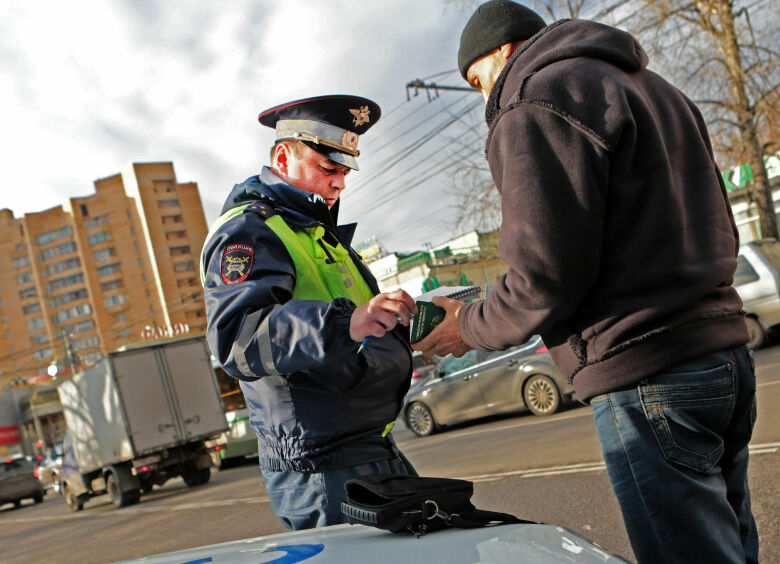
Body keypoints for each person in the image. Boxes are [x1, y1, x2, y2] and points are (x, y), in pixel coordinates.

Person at [414, 1, 759, 562]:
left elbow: (542, 279)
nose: (485, 98)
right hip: (724, 355)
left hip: (647, 372)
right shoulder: (656, 89)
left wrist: (468, 327)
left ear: (503, 50)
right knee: (731, 546)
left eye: (479, 81)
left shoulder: (534, 103)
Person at [200, 95, 418, 530]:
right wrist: (347, 323)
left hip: (371, 446)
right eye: (328, 169)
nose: (340, 185)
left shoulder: (321, 235)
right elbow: (237, 338)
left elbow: (358, 332)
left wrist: (414, 322)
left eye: (345, 172)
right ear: (283, 156)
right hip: (318, 465)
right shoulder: (250, 230)